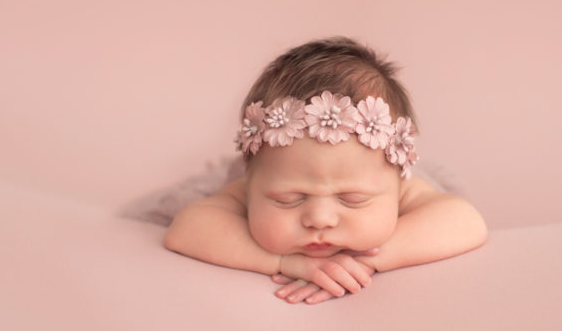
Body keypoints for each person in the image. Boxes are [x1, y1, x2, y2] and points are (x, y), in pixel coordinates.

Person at [164, 36, 488, 304]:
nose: (319, 219)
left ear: (397, 184)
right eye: (289, 199)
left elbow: (467, 221)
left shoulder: (402, 184)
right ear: (252, 182)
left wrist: (366, 260)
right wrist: (284, 263)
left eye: (352, 199)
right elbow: (186, 229)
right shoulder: (248, 183)